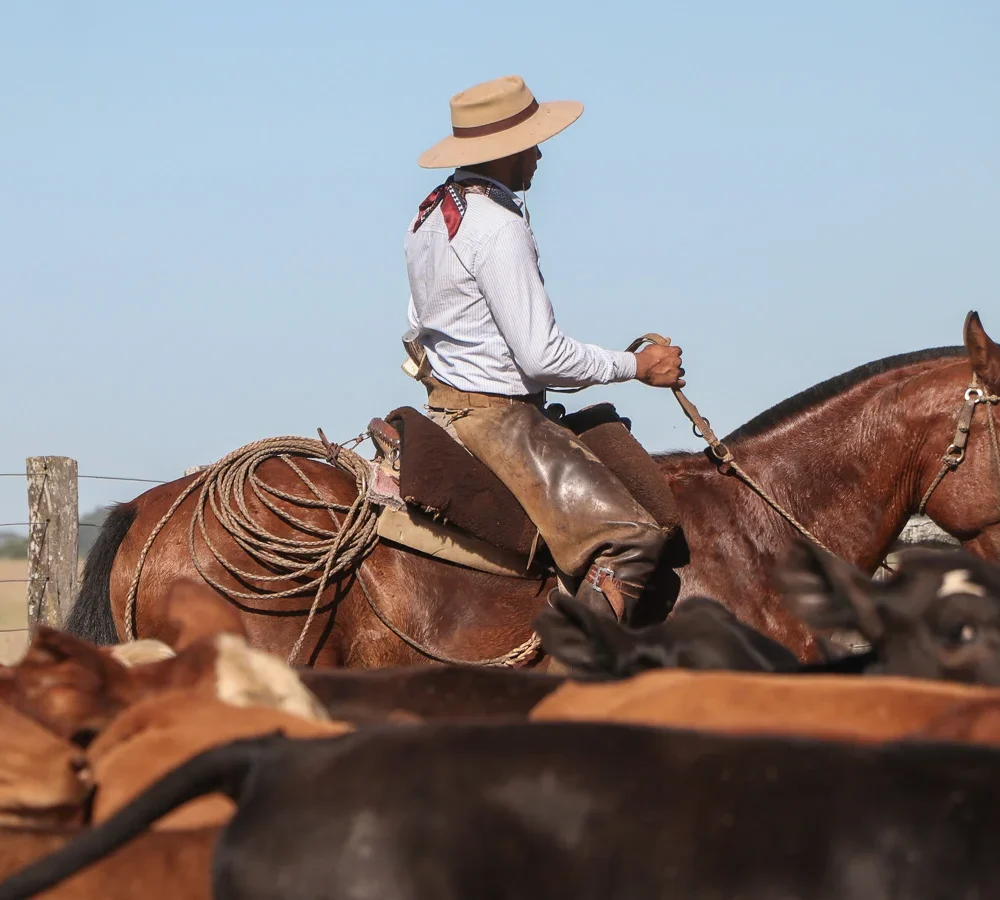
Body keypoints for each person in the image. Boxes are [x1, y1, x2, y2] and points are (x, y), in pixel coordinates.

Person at [402, 75, 684, 621]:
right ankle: (579, 677)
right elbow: (541, 357)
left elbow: (417, 325)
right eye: (531, 143)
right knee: (633, 541)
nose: (538, 154)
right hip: (499, 420)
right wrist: (636, 367)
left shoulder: (431, 213)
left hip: (445, 409)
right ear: (505, 151)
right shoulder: (497, 227)